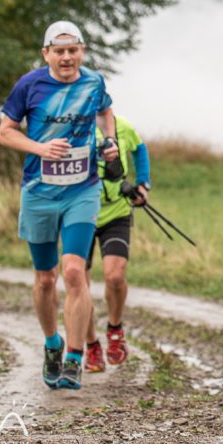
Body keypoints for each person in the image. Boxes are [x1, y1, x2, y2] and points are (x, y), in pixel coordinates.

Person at [0, 20, 119, 391]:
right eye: (59, 51)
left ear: (81, 50)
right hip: (39, 191)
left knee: (73, 272)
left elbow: (106, 111)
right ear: (46, 53)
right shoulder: (29, 85)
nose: (67, 58)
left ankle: (74, 358)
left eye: (73, 50)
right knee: (46, 279)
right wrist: (40, 148)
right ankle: (52, 342)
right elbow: (4, 132)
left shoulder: (93, 82)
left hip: (82, 190)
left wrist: (108, 142)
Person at [82, 115, 151, 373]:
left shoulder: (122, 127)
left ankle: (115, 329)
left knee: (115, 275)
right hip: (79, 215)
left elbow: (140, 149)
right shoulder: (74, 126)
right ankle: (91, 345)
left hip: (116, 213)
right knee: (80, 285)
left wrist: (143, 183)